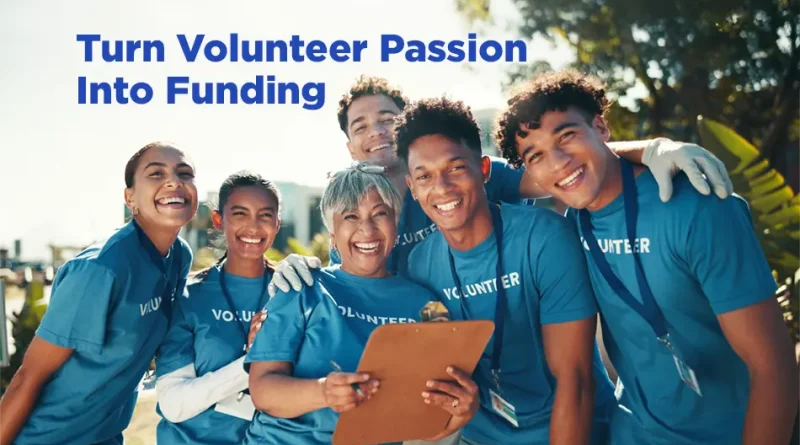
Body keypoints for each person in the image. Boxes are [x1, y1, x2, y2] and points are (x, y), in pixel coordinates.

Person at [496, 70, 800, 445]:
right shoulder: (572, 223)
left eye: (567, 136)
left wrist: (658, 147)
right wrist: (650, 145)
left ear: (601, 128)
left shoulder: (698, 209)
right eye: (536, 155)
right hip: (634, 432)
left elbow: (774, 369)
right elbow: (472, 177)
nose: (557, 162)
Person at [268, 75, 733, 293]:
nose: (377, 133)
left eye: (387, 119)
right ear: (349, 146)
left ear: (407, 126)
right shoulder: (359, 213)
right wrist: (294, 270)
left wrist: (651, 148)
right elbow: (344, 281)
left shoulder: (465, 176)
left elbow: (560, 168)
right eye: (360, 127)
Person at [395, 97, 615, 445]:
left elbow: (575, 380)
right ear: (413, 187)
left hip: (569, 429)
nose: (442, 188)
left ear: (483, 170)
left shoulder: (545, 238)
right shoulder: (418, 265)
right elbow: (439, 369)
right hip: (481, 435)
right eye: (425, 176)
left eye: (456, 168)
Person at [244, 164, 480, 445]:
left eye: (380, 213)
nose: (367, 229)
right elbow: (262, 391)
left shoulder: (430, 305)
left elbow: (429, 420)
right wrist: (324, 392)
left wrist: (462, 412)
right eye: (351, 216)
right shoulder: (300, 287)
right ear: (332, 232)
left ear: (395, 222)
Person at [0, 142, 197, 445]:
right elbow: (29, 376)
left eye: (185, 173)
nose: (174, 181)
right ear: (130, 197)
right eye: (156, 173)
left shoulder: (179, 257)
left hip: (106, 436)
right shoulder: (99, 270)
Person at [154, 172, 281, 445]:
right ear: (218, 220)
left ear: (278, 224)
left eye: (265, 216)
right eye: (240, 214)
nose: (253, 226)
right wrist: (252, 362)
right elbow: (174, 405)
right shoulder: (188, 295)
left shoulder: (292, 294)